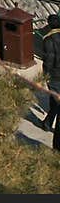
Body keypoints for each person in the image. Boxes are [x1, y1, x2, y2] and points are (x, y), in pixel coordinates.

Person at [40, 11, 60, 139]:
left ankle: (48, 124)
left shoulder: (49, 40)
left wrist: (45, 77)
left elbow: (48, 61)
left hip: (55, 76)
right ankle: (47, 123)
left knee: (55, 102)